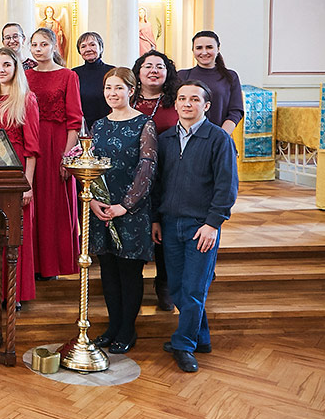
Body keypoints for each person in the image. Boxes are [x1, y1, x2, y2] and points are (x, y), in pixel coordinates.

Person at [153, 81, 238, 373]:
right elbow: (157, 184)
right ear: (175, 104)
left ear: (206, 106)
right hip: (169, 223)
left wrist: (213, 224)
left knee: (194, 288)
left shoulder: (218, 139)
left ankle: (184, 345)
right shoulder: (164, 140)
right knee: (177, 287)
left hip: (201, 226)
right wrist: (155, 218)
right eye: (181, 99)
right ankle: (201, 338)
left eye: (194, 99)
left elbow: (227, 186)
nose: (187, 104)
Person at [88, 68, 158, 355]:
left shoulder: (145, 124)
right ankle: (112, 326)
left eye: (118, 88)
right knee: (108, 271)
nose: (112, 94)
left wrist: (124, 205)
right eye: (108, 88)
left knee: (129, 272)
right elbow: (89, 164)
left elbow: (147, 167)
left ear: (131, 90)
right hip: (101, 208)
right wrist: (93, 201)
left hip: (131, 210)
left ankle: (128, 329)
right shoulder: (99, 125)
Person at [0, 48, 40, 304]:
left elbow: (33, 147)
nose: (1, 69)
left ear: (15, 69)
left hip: (15, 174)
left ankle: (14, 293)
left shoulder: (26, 99)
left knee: (14, 234)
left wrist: (28, 184)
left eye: (6, 65)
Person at [27, 27, 83, 279]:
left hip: (58, 144)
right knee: (33, 202)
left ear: (54, 46)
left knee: (55, 203)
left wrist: (67, 157)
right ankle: (34, 264)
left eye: (43, 45)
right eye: (34, 45)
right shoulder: (25, 76)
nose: (38, 50)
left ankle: (54, 265)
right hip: (32, 141)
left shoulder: (67, 75)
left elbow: (75, 120)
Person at [132, 49, 181, 311]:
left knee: (164, 231)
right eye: (148, 66)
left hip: (169, 174)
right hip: (134, 176)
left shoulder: (176, 101)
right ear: (138, 72)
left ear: (167, 72)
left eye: (159, 66)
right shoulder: (127, 99)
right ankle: (133, 283)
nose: (153, 70)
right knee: (137, 229)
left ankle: (164, 283)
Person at [177, 31, 244, 134]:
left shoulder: (230, 76)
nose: (204, 52)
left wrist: (221, 136)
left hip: (219, 137)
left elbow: (235, 111)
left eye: (209, 47)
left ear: (218, 49)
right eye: (199, 48)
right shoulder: (182, 76)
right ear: (193, 50)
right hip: (187, 136)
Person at [72, 31, 114, 128]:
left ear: (101, 48)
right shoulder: (73, 74)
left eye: (92, 45)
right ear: (79, 51)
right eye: (83, 46)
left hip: (108, 124)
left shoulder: (112, 72)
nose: (88, 49)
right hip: (81, 127)